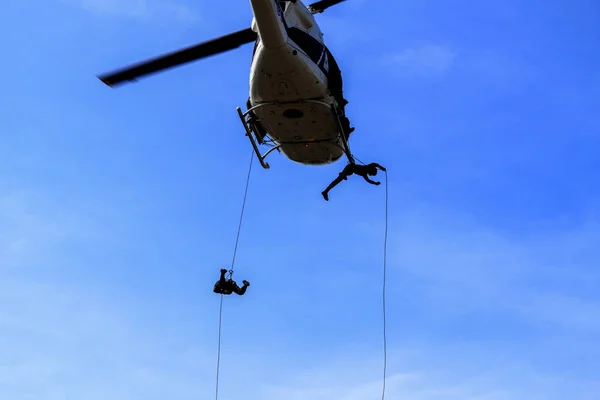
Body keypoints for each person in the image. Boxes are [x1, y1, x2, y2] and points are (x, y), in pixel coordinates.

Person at [321, 162, 386, 201]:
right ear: (371, 170)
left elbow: (368, 180)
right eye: (371, 174)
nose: (370, 174)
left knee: (345, 176)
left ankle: (326, 191)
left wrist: (375, 183)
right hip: (350, 167)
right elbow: (375, 164)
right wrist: (382, 168)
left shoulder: (364, 173)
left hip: (349, 171)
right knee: (339, 179)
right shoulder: (367, 167)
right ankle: (342, 175)